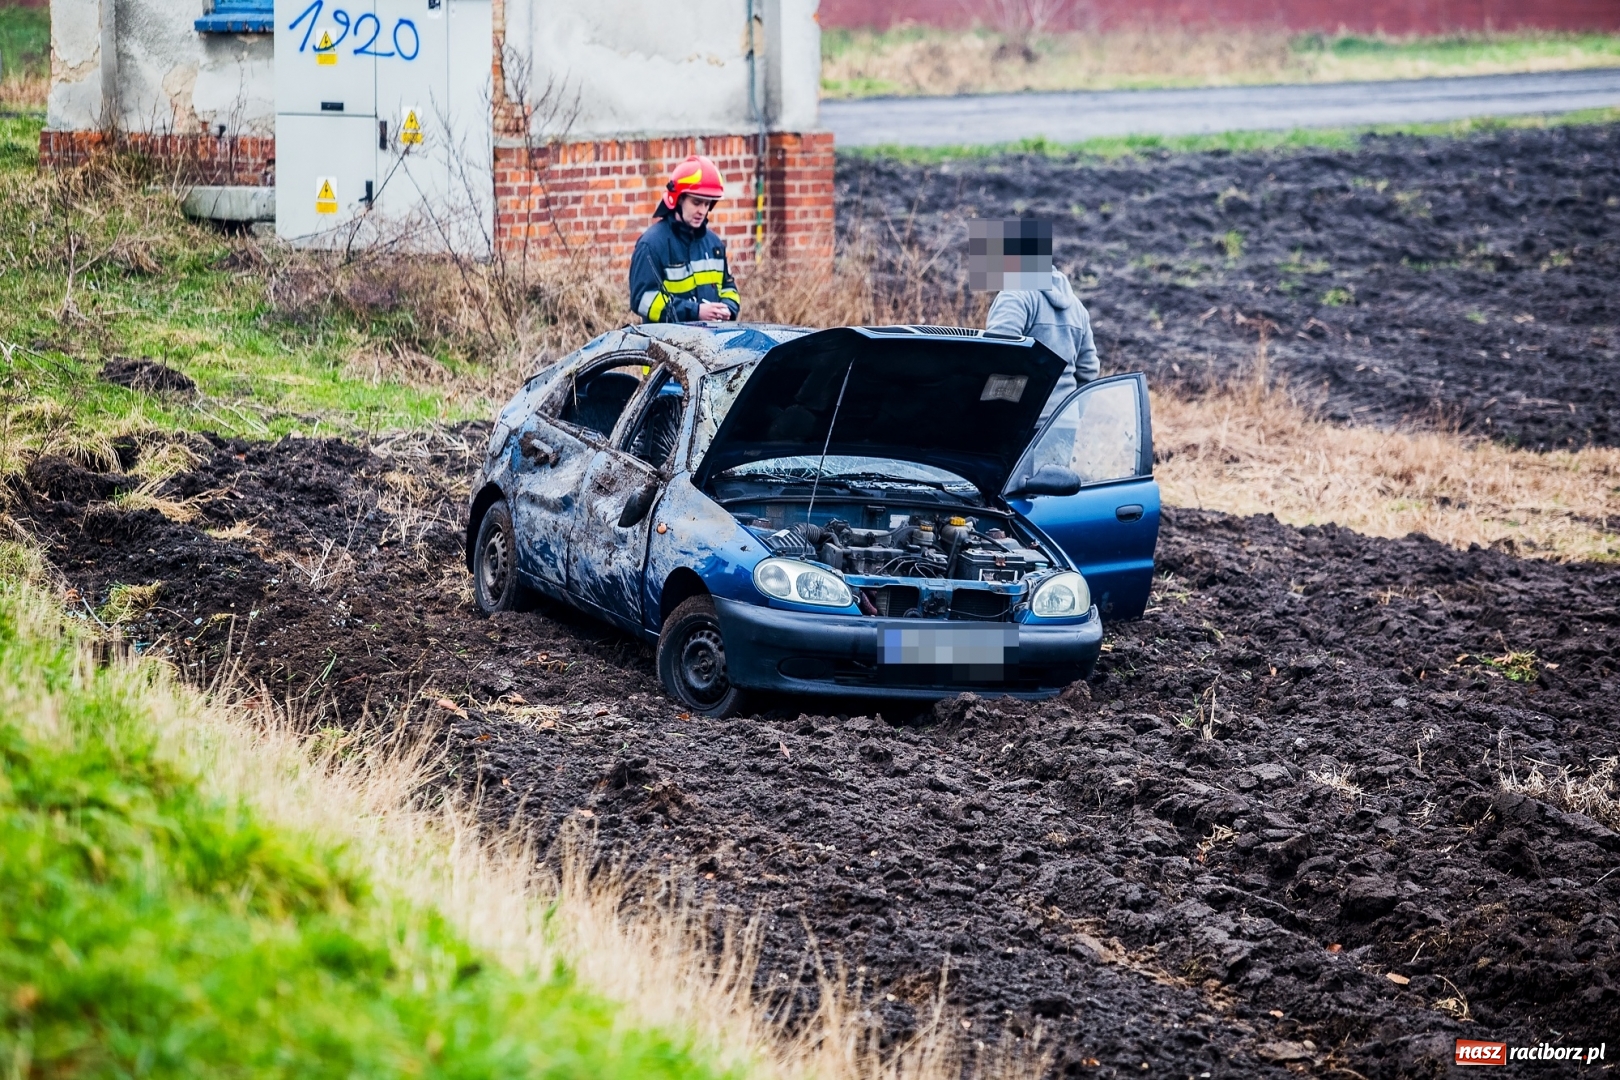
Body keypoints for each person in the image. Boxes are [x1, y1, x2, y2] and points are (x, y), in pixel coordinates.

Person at [629, 155, 741, 324]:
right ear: (678, 199)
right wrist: (695, 312)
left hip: (711, 343)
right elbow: (643, 300)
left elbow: (729, 289)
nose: (702, 211)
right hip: (667, 345)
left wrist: (727, 309)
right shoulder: (651, 245)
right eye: (696, 202)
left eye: (707, 204)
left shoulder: (714, 245)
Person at [984, 266, 1099, 422]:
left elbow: (999, 359)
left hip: (1022, 426)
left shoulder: (1014, 296)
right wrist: (1074, 415)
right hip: (1065, 423)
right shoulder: (1077, 307)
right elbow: (1089, 370)